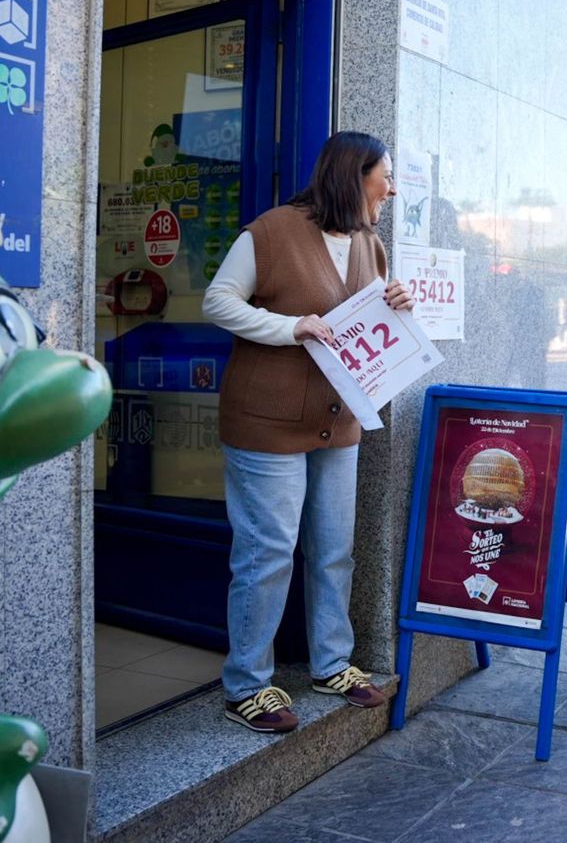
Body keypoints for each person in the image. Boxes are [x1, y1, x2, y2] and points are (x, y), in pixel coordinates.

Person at [202, 131, 416, 732]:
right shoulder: (270, 232)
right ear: (355, 175)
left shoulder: (370, 244)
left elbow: (366, 322)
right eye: (385, 176)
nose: (392, 189)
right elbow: (218, 303)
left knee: (333, 549)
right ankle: (246, 685)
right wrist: (290, 326)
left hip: (338, 422)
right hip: (266, 423)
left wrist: (397, 301)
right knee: (267, 553)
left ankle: (331, 663)